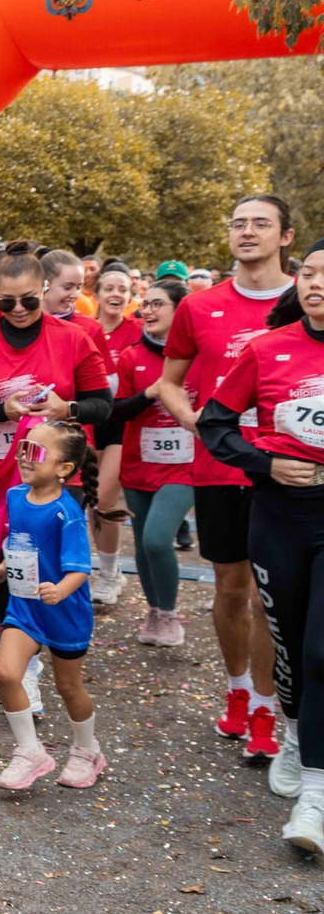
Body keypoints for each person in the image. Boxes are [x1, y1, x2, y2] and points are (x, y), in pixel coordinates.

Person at [199, 236, 324, 849]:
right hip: (279, 515)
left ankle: (316, 794)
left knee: (322, 648)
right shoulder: (269, 349)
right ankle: (296, 737)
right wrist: (264, 465)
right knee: (292, 641)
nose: (316, 283)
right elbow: (215, 422)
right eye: (310, 274)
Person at [160, 194, 293, 761]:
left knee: (273, 600)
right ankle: (238, 690)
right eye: (239, 224)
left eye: (261, 224)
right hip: (219, 468)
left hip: (287, 471)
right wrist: (199, 421)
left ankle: (269, 705)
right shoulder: (197, 306)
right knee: (231, 592)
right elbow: (169, 382)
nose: (247, 232)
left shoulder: (303, 299)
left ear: (285, 236)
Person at [0, 241, 111, 665]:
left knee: (55, 561)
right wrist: (1, 410)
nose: (18, 309)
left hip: (57, 474)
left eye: (30, 300)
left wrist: (65, 408)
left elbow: (103, 404)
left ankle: (64, 641)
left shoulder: (73, 339)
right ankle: (15, 635)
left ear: (45, 289)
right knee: (3, 557)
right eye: (7, 302)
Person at [0, 422, 105, 791]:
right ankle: (29, 751)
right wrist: (4, 569)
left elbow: (80, 569)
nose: (24, 457)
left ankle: (88, 750)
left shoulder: (65, 513)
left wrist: (61, 589)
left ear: (65, 468)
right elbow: (20, 543)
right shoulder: (15, 497)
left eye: (35, 452)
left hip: (65, 611)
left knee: (69, 687)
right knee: (7, 673)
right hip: (24, 609)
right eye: (23, 447)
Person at [43, 251, 126, 606]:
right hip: (20, 448)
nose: (74, 294)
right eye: (67, 286)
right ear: (44, 283)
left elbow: (109, 390)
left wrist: (69, 403)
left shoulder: (88, 328)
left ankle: (65, 611)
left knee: (63, 535)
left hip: (71, 448)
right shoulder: (11, 326)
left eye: (79, 287)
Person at [114, 280, 195, 646]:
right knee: (145, 545)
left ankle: (170, 611)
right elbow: (114, 412)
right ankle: (155, 611)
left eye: (158, 304)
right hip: (139, 463)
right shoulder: (131, 357)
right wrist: (151, 393)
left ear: (181, 311)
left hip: (185, 465)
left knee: (158, 538)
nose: (148, 311)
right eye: (145, 304)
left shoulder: (199, 355)